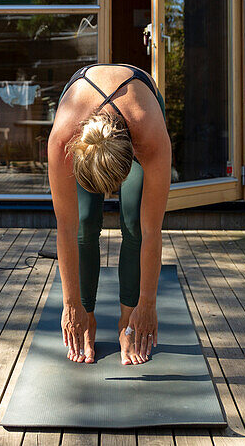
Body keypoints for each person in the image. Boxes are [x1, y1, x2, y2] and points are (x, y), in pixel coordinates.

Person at [47, 63, 171, 365]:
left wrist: (147, 304)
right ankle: (88, 322)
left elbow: (153, 231)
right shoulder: (63, 136)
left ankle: (127, 324)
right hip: (84, 115)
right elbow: (65, 227)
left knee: (135, 223)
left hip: (136, 111)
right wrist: (72, 305)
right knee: (84, 223)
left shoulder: (150, 135)